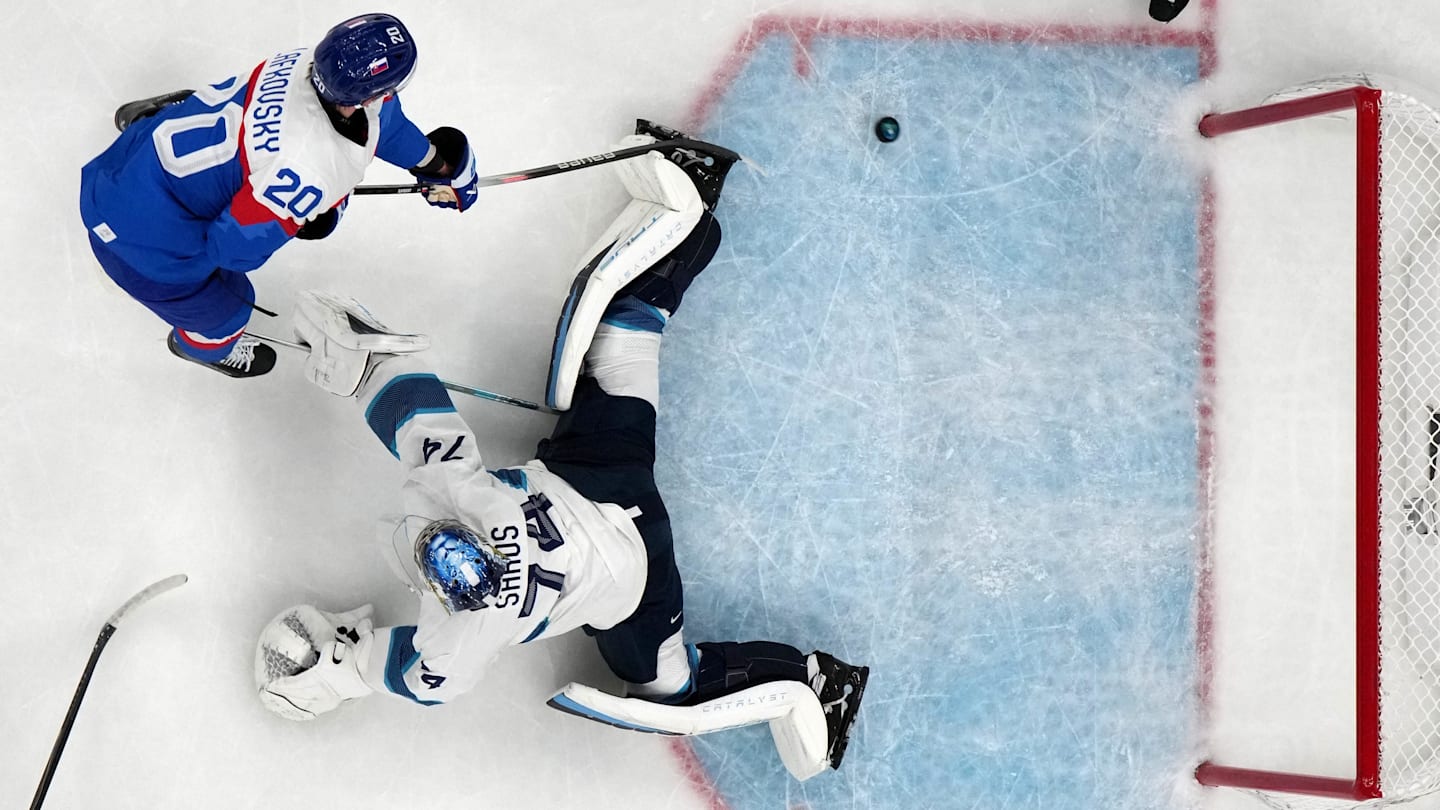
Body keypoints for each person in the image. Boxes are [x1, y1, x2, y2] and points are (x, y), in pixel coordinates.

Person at [251, 126, 869, 780]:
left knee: (671, 686)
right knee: (619, 339)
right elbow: (422, 419)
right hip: (598, 472)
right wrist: (361, 365)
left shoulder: (454, 631)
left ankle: (814, 684)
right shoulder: (454, 499)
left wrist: (336, 672)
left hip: (632, 573)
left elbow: (404, 673)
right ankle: (691, 207)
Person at [78, 13, 481, 379]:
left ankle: (155, 115)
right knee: (231, 305)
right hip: (131, 237)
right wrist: (305, 214)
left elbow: (381, 121)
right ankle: (200, 345)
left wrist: (436, 164)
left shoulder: (307, 62)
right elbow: (232, 250)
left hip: (134, 159)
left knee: (210, 131)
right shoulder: (310, 166)